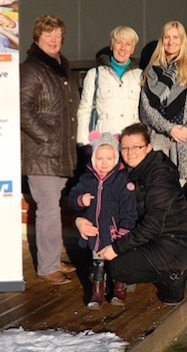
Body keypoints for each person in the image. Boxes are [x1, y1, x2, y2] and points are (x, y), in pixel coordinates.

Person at [75, 123, 187, 305]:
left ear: (148, 147)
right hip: (149, 238)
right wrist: (80, 219)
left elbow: (153, 225)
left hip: (175, 242)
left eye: (136, 147)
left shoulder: (160, 174)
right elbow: (100, 200)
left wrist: (116, 249)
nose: (130, 152)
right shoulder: (122, 171)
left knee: (118, 268)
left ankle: (174, 276)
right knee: (101, 252)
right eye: (125, 148)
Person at [20, 15, 79, 285]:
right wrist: (46, 136)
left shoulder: (61, 69)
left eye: (57, 34)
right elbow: (22, 108)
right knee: (48, 209)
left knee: (53, 207)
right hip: (41, 153)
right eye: (48, 34)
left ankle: (52, 260)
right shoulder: (32, 68)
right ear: (37, 38)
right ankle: (47, 267)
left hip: (61, 152)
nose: (54, 39)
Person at [68, 132, 137, 309]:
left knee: (117, 263)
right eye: (100, 158)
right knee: (97, 263)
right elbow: (72, 197)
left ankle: (119, 291)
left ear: (115, 159)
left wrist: (124, 231)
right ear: (93, 159)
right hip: (96, 232)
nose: (104, 162)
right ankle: (97, 293)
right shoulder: (87, 178)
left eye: (108, 158)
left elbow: (129, 209)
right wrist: (80, 199)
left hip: (115, 233)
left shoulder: (122, 180)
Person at [140, 21, 187, 185]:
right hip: (157, 138)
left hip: (184, 140)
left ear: (182, 40)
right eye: (167, 37)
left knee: (181, 192)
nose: (171, 42)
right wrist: (169, 128)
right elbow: (146, 109)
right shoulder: (150, 71)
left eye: (175, 37)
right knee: (157, 187)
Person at [76, 26, 142, 146]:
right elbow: (84, 111)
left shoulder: (140, 76)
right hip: (103, 143)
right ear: (112, 46)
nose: (122, 48)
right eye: (118, 43)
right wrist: (83, 144)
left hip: (132, 144)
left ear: (132, 49)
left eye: (127, 44)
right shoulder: (94, 74)